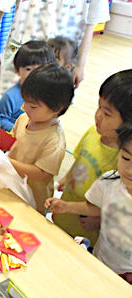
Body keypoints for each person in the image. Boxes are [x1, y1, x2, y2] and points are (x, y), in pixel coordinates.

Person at [53, 69, 132, 246]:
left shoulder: (124, 161)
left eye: (107, 113)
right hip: (67, 207)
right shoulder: (92, 133)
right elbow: (79, 159)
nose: (98, 116)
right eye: (99, 107)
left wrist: (100, 219)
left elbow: (121, 206)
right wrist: (67, 177)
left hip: (87, 227)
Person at [45, 125, 132, 284]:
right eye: (126, 158)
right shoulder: (109, 181)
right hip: (99, 259)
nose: (130, 170)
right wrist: (67, 206)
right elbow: (96, 207)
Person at [0, 63, 74, 213]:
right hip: (12, 183)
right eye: (24, 101)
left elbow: (41, 174)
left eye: (33, 106)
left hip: (33, 199)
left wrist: (8, 162)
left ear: (57, 108)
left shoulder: (54, 140)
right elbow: (13, 141)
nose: (25, 108)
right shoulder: (24, 118)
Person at [0, 0, 110, 91]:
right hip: (25, 50)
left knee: (49, 106)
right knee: (13, 101)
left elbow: (90, 22)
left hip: (63, 56)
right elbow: (0, 6)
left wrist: (80, 65)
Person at [0, 40, 55, 132]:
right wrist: (21, 131)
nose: (34, 74)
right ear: (17, 70)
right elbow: (0, 120)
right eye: (28, 69)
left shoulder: (47, 94)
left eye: (40, 69)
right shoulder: (10, 96)